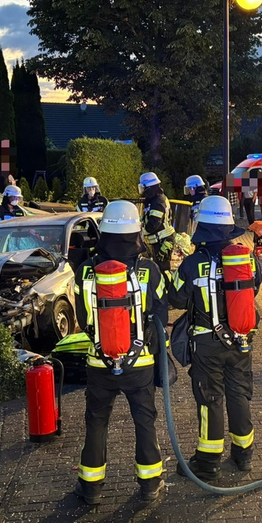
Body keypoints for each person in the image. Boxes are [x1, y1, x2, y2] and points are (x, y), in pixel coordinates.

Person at [72, 200, 168, 505]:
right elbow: (161, 313)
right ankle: (150, 484)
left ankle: (91, 488)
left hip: (98, 364)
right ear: (136, 232)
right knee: (144, 421)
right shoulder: (148, 270)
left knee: (96, 421)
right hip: (140, 364)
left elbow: (82, 317)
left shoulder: (85, 270)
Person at [169, 196, 262, 481]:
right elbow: (255, 286)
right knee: (239, 393)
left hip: (207, 343)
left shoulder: (192, 263)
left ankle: (208, 462)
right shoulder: (246, 258)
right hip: (241, 340)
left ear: (203, 227)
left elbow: (176, 298)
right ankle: (243, 454)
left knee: (210, 399)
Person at [139, 172, 176, 272]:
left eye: (143, 187)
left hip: (163, 241)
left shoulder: (158, 201)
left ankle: (168, 282)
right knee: (157, 269)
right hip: (158, 241)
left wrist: (141, 232)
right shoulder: (153, 200)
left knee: (163, 269)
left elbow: (154, 224)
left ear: (149, 187)